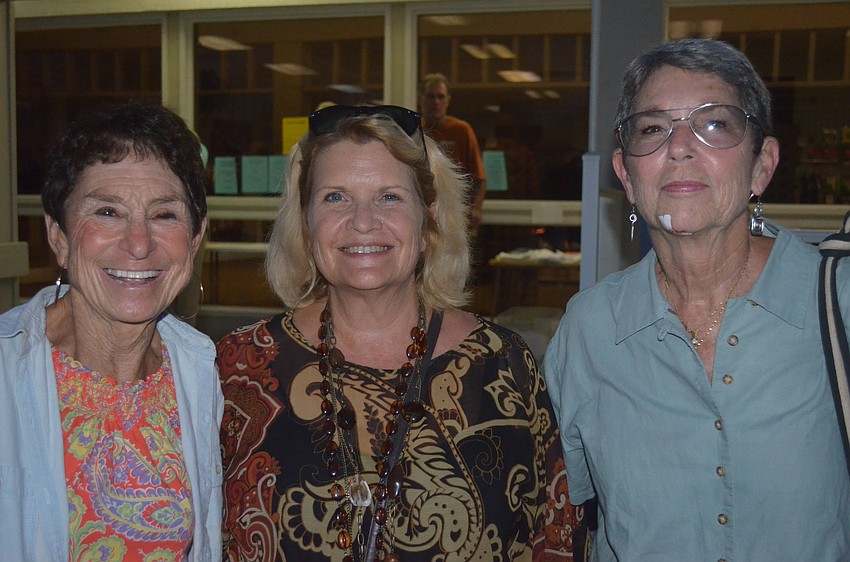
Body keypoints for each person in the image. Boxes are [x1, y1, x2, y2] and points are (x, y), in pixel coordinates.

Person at [218, 104, 586, 561]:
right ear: (305, 219)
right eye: (336, 197)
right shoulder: (237, 369)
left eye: (389, 197)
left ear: (428, 219)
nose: (363, 221)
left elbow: (557, 539)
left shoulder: (503, 365)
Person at [543, 37, 850, 561]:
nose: (679, 147)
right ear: (626, 175)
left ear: (762, 166)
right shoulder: (590, 330)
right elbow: (559, 517)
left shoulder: (838, 302)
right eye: (654, 128)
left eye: (714, 124)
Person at [0, 102, 224, 561]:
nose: (139, 243)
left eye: (164, 215)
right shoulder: (6, 375)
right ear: (58, 236)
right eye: (107, 211)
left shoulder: (203, 372)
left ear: (196, 238)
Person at [419, 73, 487, 232]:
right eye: (430, 96)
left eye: (440, 97)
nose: (436, 102)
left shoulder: (461, 130)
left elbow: (480, 178)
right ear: (421, 99)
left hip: (453, 212)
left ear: (448, 100)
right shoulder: (414, 131)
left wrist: (475, 209)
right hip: (422, 211)